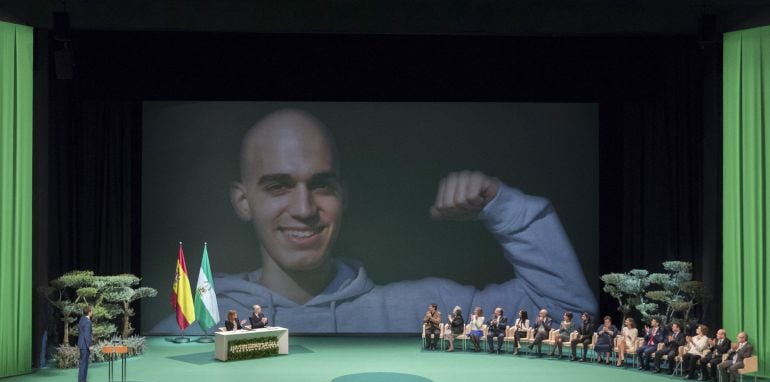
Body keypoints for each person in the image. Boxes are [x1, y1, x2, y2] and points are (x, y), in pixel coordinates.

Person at [150, 109, 596, 334]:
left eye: (321, 185)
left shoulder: (425, 310)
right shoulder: (196, 324)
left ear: (343, 195)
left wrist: (502, 204)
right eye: (278, 186)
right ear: (243, 201)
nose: (304, 208)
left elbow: (569, 314)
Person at [77, 307, 94, 382]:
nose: (92, 312)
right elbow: (87, 335)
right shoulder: (88, 322)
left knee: (82, 363)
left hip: (81, 344)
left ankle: (82, 380)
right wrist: (90, 345)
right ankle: (82, 381)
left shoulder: (82, 319)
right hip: (85, 345)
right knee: (84, 363)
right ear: (89, 312)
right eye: (92, 311)